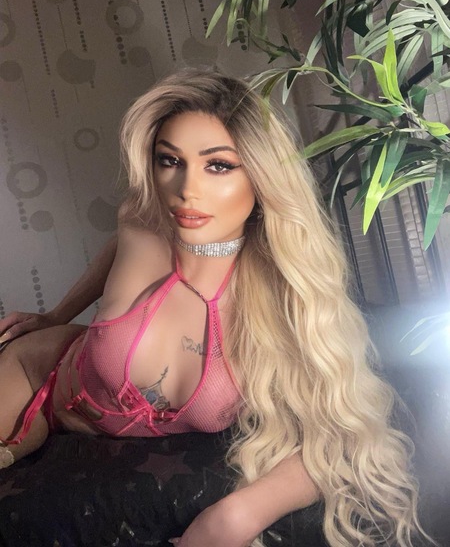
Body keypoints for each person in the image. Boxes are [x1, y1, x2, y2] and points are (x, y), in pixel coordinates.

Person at [0, 69, 431, 547]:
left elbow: (344, 438)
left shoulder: (280, 296)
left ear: (262, 176)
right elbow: (120, 248)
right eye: (170, 160)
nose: (186, 188)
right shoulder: (141, 223)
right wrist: (57, 315)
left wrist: (235, 517)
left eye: (219, 165)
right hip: (38, 375)